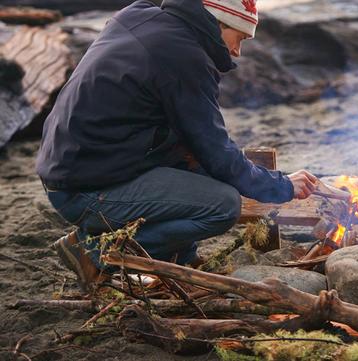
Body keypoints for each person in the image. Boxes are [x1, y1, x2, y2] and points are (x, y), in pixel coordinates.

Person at [35, 0, 318, 292]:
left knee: (200, 168)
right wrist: (282, 185)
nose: (237, 51)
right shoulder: (184, 56)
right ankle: (92, 251)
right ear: (219, 22)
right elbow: (217, 152)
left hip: (72, 163)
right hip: (84, 189)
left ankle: (180, 259)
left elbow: (188, 138)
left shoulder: (141, 16)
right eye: (240, 38)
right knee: (222, 205)